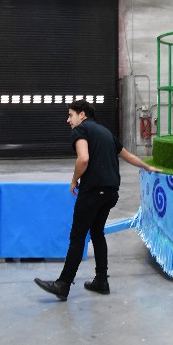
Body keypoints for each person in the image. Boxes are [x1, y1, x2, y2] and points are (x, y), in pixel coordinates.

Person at [35, 99, 161, 301]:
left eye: (70, 115)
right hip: (111, 192)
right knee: (97, 233)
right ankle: (101, 280)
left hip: (92, 191)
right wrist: (147, 166)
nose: (68, 120)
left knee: (77, 238)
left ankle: (63, 284)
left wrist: (74, 180)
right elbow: (127, 156)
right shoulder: (106, 132)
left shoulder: (81, 130)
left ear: (82, 115)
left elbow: (83, 158)